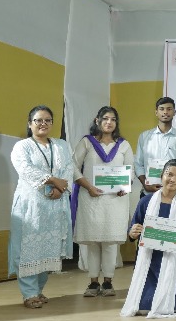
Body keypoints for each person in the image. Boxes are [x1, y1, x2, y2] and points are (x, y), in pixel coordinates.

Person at [8, 105, 74, 309]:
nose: (43, 123)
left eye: (47, 120)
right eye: (38, 120)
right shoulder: (22, 146)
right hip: (32, 204)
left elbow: (69, 167)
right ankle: (28, 293)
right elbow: (26, 169)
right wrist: (53, 180)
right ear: (30, 124)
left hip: (55, 204)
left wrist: (60, 188)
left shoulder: (61, 145)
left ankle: (38, 289)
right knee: (28, 247)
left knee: (48, 247)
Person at [120, 159, 176, 317]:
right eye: (169, 174)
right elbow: (133, 229)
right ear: (162, 175)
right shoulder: (146, 202)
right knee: (143, 309)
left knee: (172, 308)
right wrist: (132, 232)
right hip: (149, 262)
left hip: (174, 262)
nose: (173, 179)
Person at [72, 106, 134, 298]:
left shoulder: (123, 145)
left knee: (109, 242)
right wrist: (88, 186)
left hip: (116, 200)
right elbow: (73, 166)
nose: (109, 122)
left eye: (113, 119)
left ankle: (108, 282)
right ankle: (92, 283)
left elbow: (129, 170)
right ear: (97, 120)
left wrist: (126, 186)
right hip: (91, 198)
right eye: (105, 118)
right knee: (93, 242)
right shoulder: (87, 143)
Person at [134, 97, 176, 195]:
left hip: (173, 193)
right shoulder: (144, 136)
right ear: (156, 112)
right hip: (148, 193)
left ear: (174, 112)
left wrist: (175, 183)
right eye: (162, 109)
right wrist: (145, 184)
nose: (165, 112)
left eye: (169, 109)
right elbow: (138, 164)